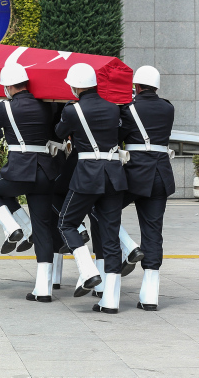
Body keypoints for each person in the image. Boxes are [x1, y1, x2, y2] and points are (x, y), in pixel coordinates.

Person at [0, 63, 61, 301]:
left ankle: (14, 227)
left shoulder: (6, 108)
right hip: (45, 171)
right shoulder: (46, 104)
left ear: (8, 86)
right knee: (43, 228)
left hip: (20, 171)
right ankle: (43, 290)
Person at [55, 63, 128, 314]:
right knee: (110, 235)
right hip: (113, 174)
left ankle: (87, 271)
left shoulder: (72, 110)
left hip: (88, 173)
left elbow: (60, 132)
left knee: (65, 222)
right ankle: (111, 301)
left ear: (75, 86)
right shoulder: (112, 108)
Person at [120, 65, 175, 311]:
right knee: (153, 231)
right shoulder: (168, 108)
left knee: (100, 209)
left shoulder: (128, 108)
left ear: (137, 86)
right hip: (160, 175)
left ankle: (128, 246)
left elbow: (118, 134)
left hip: (135, 175)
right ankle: (150, 296)